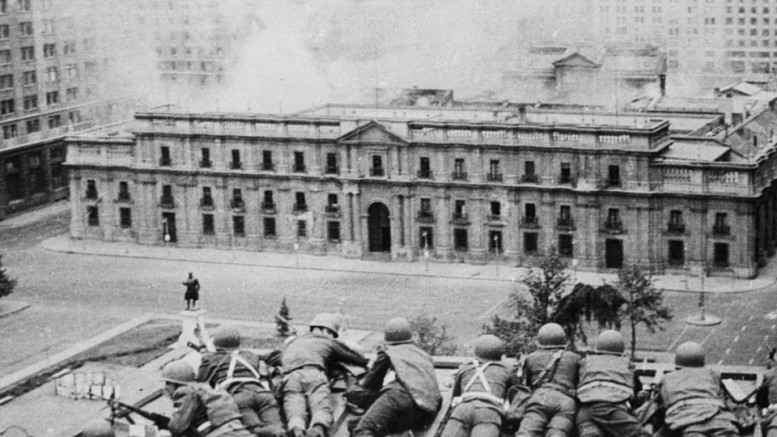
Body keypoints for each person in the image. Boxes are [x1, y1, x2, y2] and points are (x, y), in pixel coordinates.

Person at [276, 313, 369, 437]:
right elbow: (356, 358)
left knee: (294, 407)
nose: (331, 337)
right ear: (325, 330)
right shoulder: (327, 341)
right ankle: (318, 428)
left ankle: (296, 428)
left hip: (290, 377)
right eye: (331, 334)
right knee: (320, 405)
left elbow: (274, 357)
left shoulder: (293, 342)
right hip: (314, 374)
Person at [351, 317, 442, 437]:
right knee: (354, 424)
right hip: (427, 409)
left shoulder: (388, 350)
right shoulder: (422, 353)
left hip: (400, 398)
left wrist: (355, 391)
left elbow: (372, 383)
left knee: (361, 431)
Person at [198, 325, 285, 437]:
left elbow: (202, 380)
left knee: (254, 431)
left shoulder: (209, 359)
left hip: (238, 397)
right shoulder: (249, 355)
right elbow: (270, 357)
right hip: (264, 395)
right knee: (278, 429)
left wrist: (207, 354)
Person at [439, 334, 519, 437]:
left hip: (463, 409)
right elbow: (517, 397)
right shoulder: (507, 369)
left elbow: (455, 395)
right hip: (489, 412)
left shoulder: (466, 367)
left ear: (476, 351)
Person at [656, 342, 739, 437]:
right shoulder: (712, 374)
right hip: (720, 420)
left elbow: (661, 408)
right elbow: (725, 399)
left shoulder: (667, 378)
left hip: (685, 420)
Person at [576, 330, 648, 437]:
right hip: (612, 412)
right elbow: (635, 398)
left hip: (585, 413)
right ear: (621, 350)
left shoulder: (585, 363)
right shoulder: (627, 365)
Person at [516, 323, 581, 437]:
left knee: (526, 432)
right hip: (565, 400)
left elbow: (527, 385)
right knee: (558, 431)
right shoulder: (575, 358)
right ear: (564, 340)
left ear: (540, 340)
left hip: (539, 398)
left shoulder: (531, 358)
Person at [162, 360, 253, 437]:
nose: (166, 387)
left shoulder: (184, 391)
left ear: (177, 383)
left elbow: (177, 427)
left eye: (168, 383)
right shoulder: (203, 388)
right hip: (237, 430)